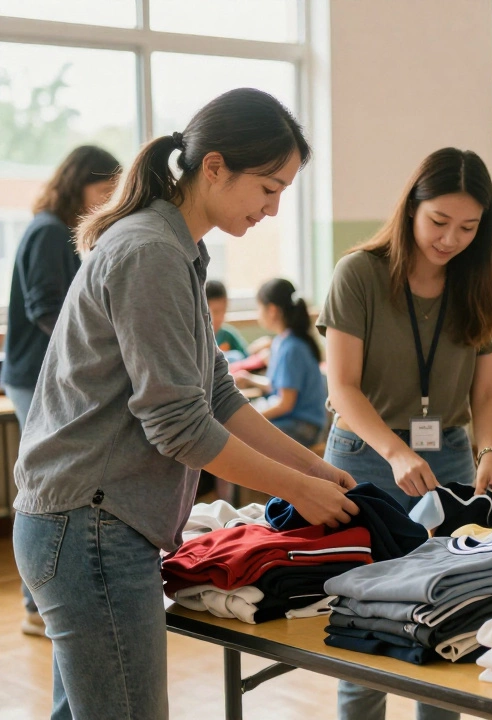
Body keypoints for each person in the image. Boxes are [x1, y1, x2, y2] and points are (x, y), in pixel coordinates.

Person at [12, 88, 359, 720]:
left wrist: (310, 467)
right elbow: (178, 425)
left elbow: (218, 394)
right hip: (89, 525)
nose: (274, 209)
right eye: (268, 187)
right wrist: (300, 491)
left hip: (88, 522)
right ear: (216, 166)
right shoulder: (150, 251)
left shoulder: (177, 249)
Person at [318, 147, 492, 720]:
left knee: (447, 619)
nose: (450, 239)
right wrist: (395, 449)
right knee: (363, 619)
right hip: (365, 456)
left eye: (468, 227)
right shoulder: (360, 274)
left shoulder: (483, 285)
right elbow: (343, 388)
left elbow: (488, 394)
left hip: (447, 457)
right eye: (439, 222)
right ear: (410, 210)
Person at [2, 144, 120, 637]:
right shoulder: (49, 230)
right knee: (46, 485)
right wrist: (89, 353)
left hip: (39, 370)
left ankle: (39, 602)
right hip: (34, 372)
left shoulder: (54, 228)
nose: (105, 202)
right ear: (77, 184)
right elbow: (45, 307)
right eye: (101, 191)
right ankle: (37, 605)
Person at [234, 278, 329, 446]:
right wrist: (250, 380)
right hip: (295, 421)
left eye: (259, 307)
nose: (258, 313)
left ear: (272, 310)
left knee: (239, 437)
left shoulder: (292, 348)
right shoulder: (284, 341)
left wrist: (252, 419)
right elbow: (280, 387)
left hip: (303, 427)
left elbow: (285, 403)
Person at [205, 279, 249, 359]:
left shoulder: (228, 335)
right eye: (215, 312)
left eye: (224, 310)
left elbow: (246, 357)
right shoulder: (199, 337)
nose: (220, 317)